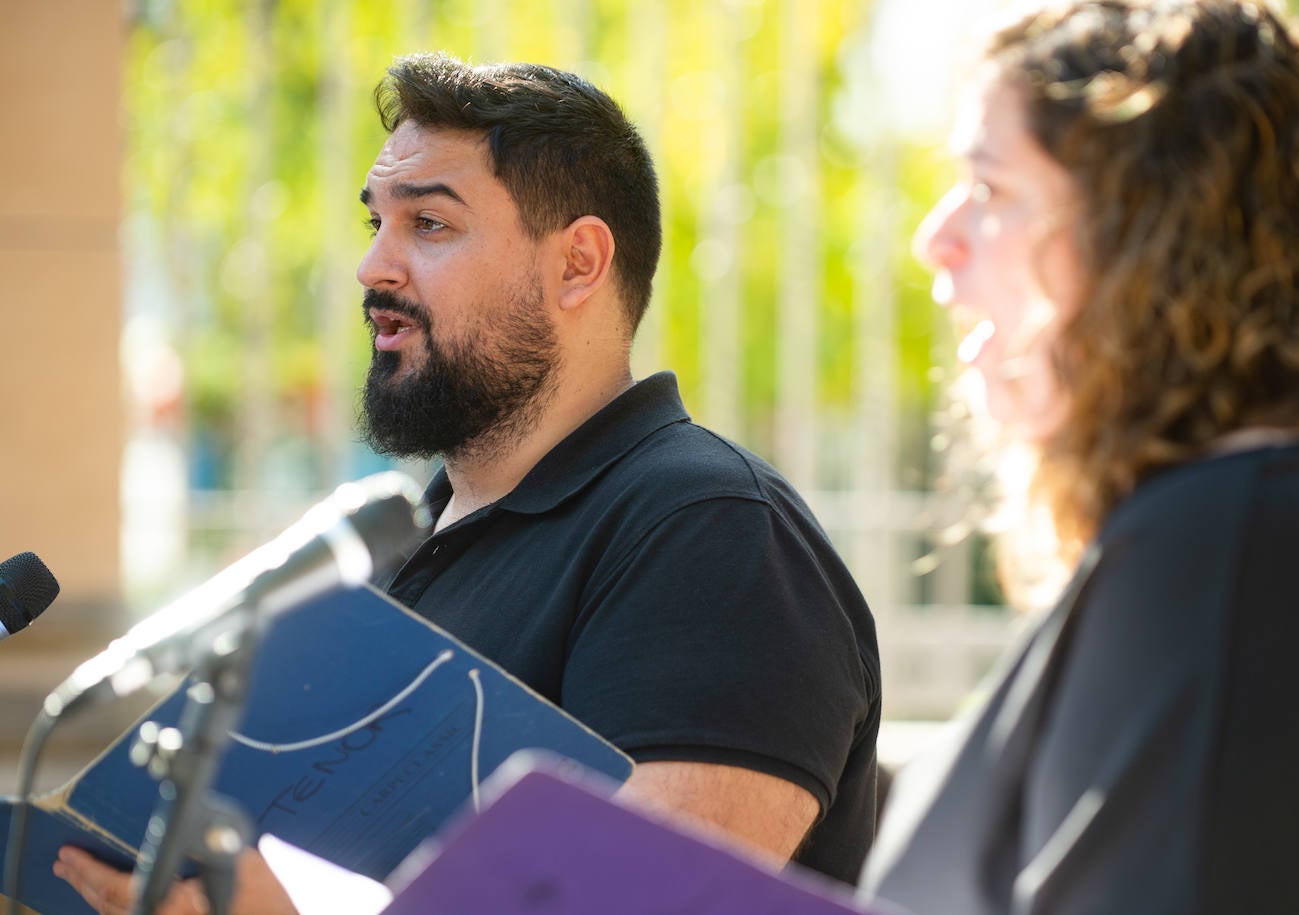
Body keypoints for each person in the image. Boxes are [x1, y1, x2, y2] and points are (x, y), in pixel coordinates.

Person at [54, 56, 881, 913]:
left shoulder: (711, 532)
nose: (374, 266)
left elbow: (655, 903)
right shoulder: (386, 550)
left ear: (578, 263)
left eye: (431, 225)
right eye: (376, 221)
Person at [860, 1, 1299, 912]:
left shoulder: (1230, 550)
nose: (933, 237)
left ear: (1147, 242)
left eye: (991, 190)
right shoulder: (1242, 523)